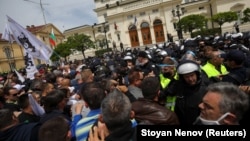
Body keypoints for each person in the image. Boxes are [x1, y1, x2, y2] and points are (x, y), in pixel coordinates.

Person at [166, 60, 210, 125]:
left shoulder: (205, 89)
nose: (190, 79)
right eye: (186, 77)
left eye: (192, 75)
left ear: (197, 74)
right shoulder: (178, 87)